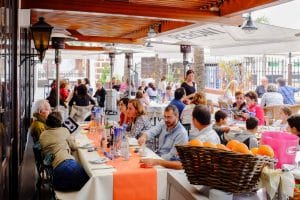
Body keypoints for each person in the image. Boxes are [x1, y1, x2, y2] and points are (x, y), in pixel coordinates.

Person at [39, 112, 89, 191]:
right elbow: (74, 147)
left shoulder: (42, 135)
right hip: (68, 165)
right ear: (60, 122)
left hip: (56, 177)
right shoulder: (64, 130)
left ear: (47, 122)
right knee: (90, 180)